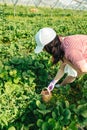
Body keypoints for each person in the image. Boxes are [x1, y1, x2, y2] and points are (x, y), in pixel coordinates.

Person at [34, 27, 87, 94]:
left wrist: (68, 62)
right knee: (71, 68)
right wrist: (53, 82)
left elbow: (84, 69)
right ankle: (62, 85)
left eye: (44, 48)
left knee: (75, 68)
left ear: (49, 47)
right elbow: (62, 68)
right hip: (81, 54)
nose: (44, 51)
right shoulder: (62, 43)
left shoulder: (70, 51)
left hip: (83, 62)